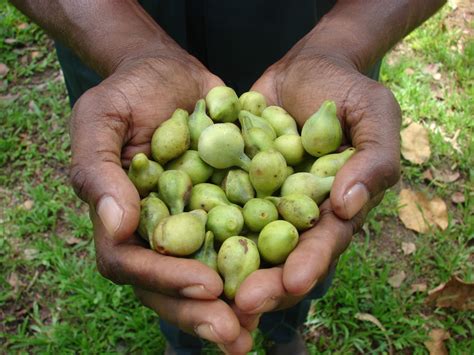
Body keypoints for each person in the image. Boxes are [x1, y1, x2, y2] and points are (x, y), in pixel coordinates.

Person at [11, 1, 445, 354]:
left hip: (315, 31)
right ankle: (184, 340)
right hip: (109, 31)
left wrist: (343, 45)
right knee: (174, 274)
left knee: (302, 264)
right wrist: (131, 52)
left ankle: (284, 330)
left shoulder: (284, 166)